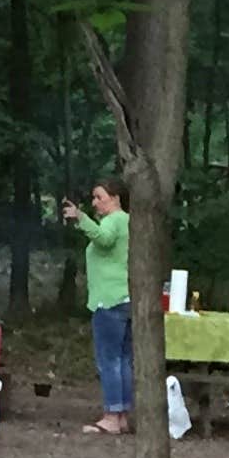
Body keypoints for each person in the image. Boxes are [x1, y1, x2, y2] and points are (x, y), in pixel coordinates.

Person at [62, 178, 132, 435]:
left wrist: (80, 217)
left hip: (109, 300)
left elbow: (103, 239)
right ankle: (122, 414)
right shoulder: (129, 221)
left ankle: (112, 416)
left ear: (115, 198)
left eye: (99, 197)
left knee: (109, 360)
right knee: (123, 359)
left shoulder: (114, 221)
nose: (95, 202)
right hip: (125, 298)